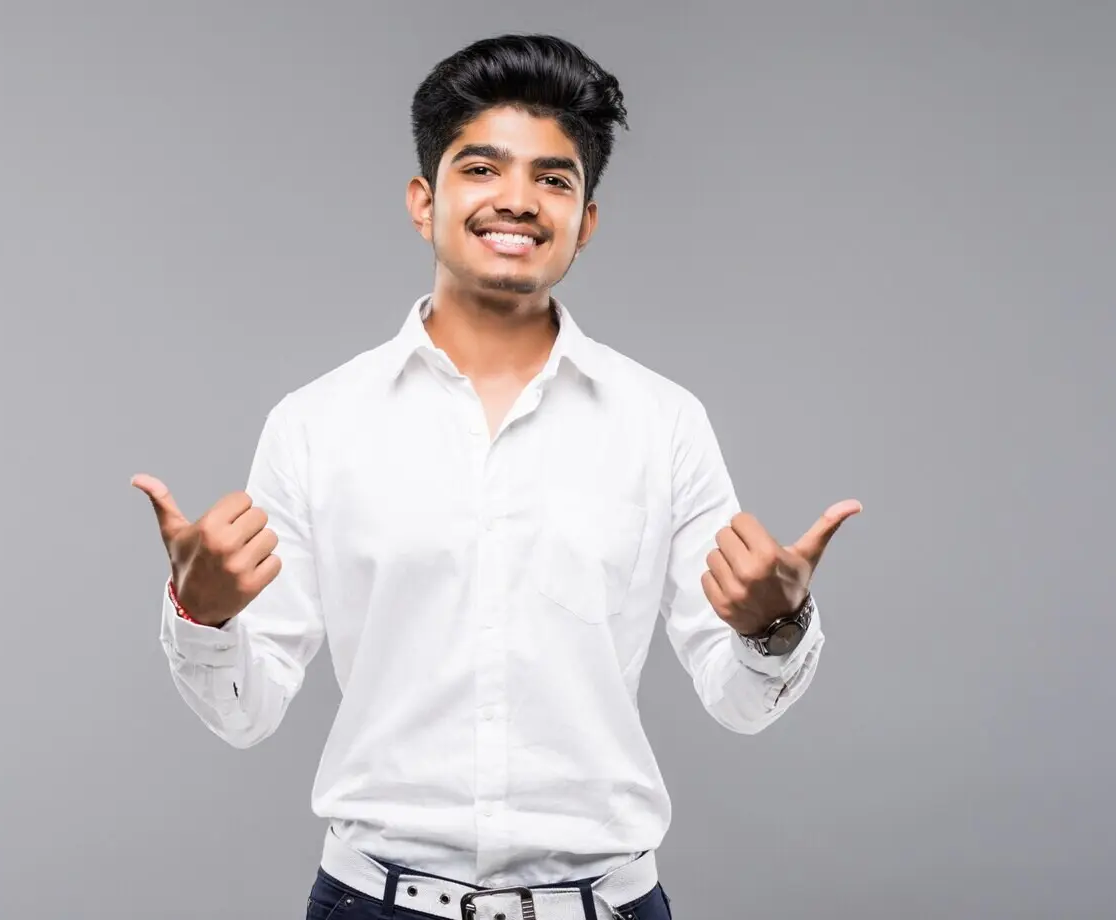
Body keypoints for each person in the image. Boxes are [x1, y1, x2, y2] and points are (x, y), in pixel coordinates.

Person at [132, 33, 861, 920]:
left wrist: (774, 626)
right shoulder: (316, 423)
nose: (517, 200)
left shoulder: (663, 423)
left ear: (586, 221)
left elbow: (742, 703)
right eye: (482, 168)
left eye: (554, 179)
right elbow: (245, 711)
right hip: (374, 905)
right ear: (423, 200)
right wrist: (202, 618)